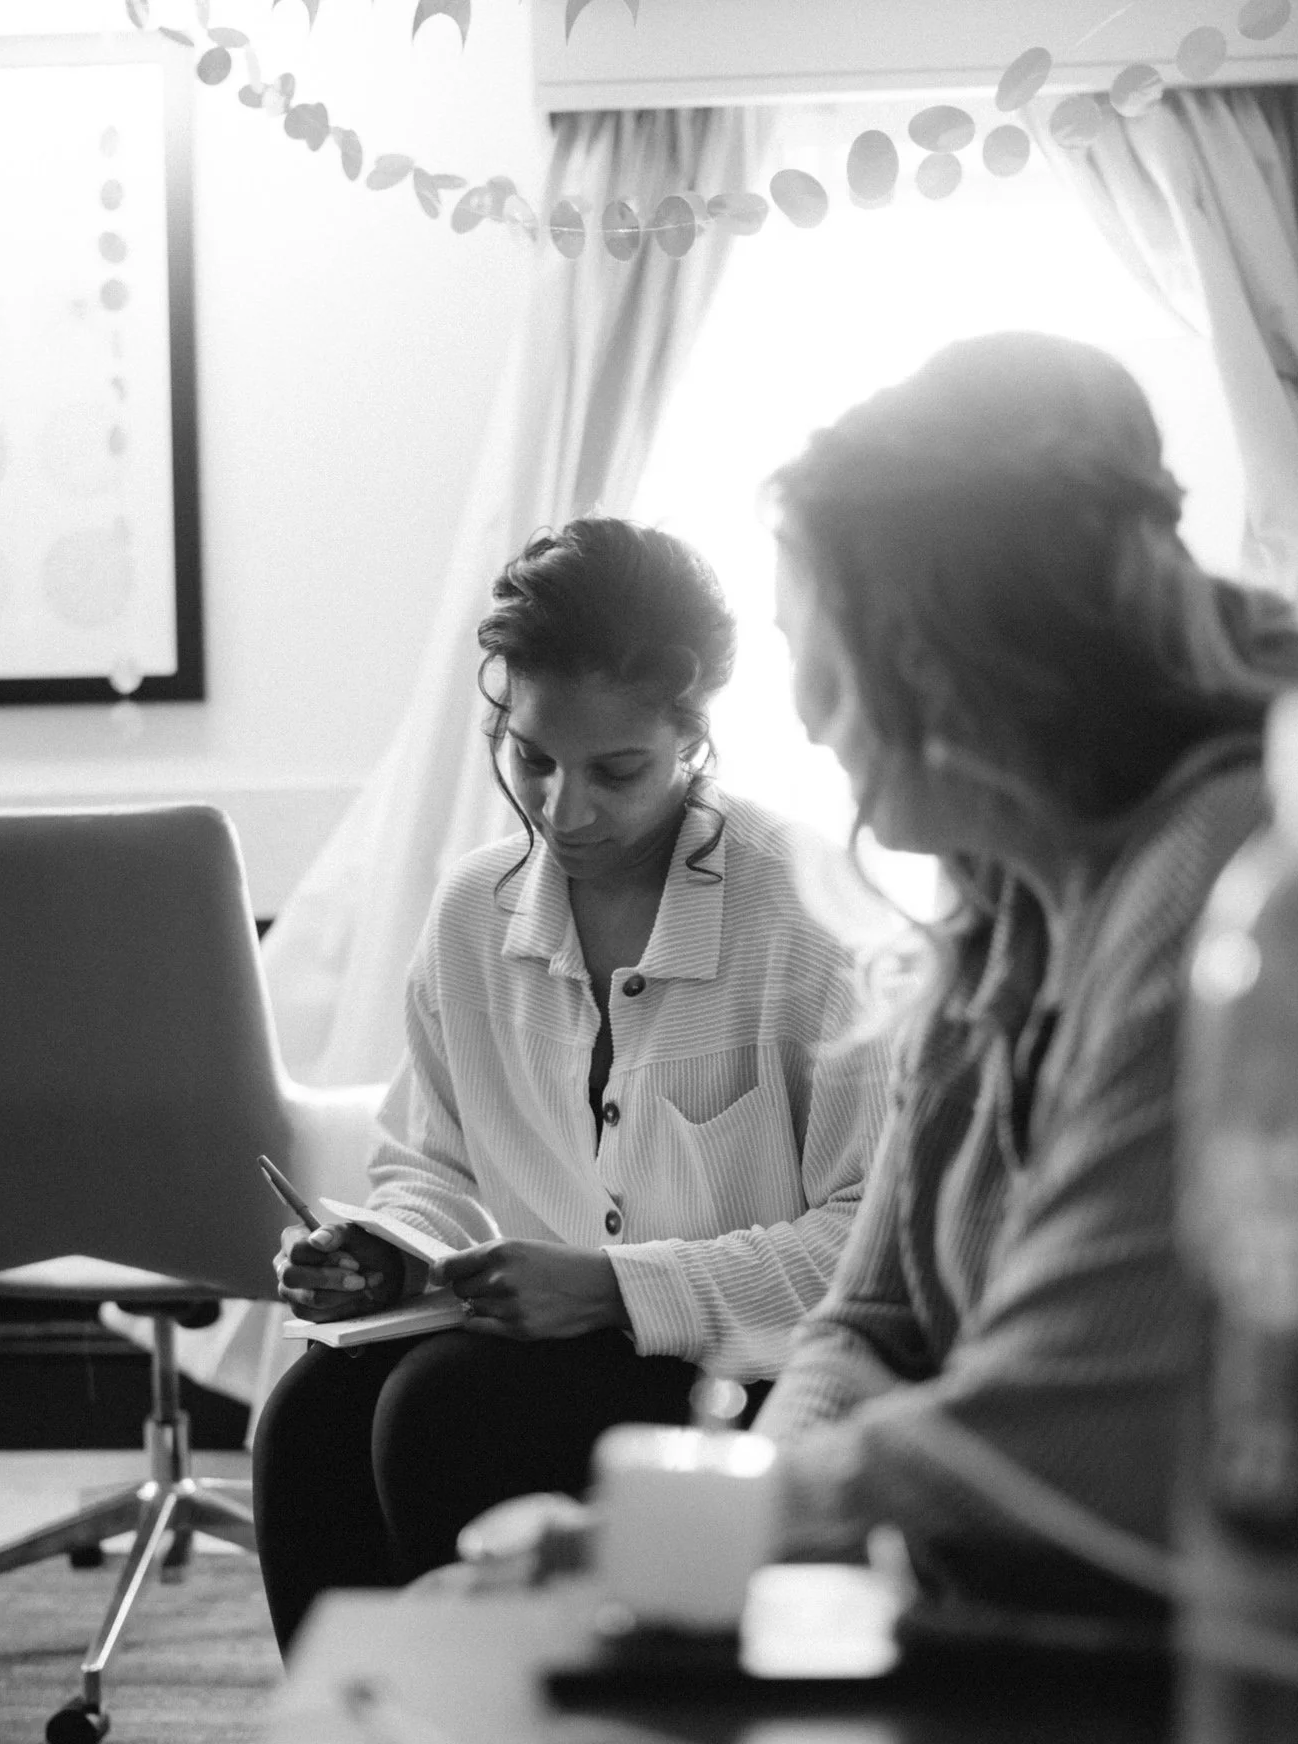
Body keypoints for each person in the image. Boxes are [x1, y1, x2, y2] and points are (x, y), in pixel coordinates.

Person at [252, 515, 891, 1654]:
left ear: (694, 736)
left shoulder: (804, 910)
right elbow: (432, 1168)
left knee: (446, 1407)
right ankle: (359, 1741)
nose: (564, 811)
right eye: (533, 758)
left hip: (751, 1370)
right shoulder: (473, 911)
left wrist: (612, 1289)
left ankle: (511, 1731)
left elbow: (865, 1250)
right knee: (309, 1414)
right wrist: (383, 1255)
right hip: (532, 1350)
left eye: (617, 771)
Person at [755, 330, 1298, 1616]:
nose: (807, 712)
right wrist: (753, 1498)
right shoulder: (1000, 903)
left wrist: (726, 1517)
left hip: (1216, 1671)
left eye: (820, 649)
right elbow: (866, 1322)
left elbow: (1070, 1428)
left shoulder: (1220, 873)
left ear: (942, 650)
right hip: (1019, 1629)